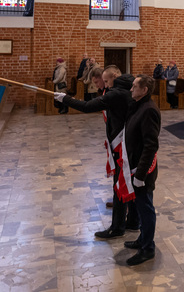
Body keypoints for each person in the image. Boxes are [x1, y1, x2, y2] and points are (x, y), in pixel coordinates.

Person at [55, 66, 140, 237]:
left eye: (106, 81)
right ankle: (132, 221)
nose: (104, 85)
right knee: (128, 181)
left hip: (123, 144)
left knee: (120, 184)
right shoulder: (125, 89)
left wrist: (66, 99)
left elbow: (87, 106)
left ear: (114, 76)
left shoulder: (116, 93)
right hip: (128, 141)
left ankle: (117, 228)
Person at [121, 75, 161, 266]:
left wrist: (140, 174)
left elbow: (151, 145)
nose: (131, 89)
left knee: (146, 208)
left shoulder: (149, 110)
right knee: (139, 205)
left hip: (142, 170)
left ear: (144, 90)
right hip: (134, 166)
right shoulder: (138, 106)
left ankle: (148, 248)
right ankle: (142, 239)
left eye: (135, 86)